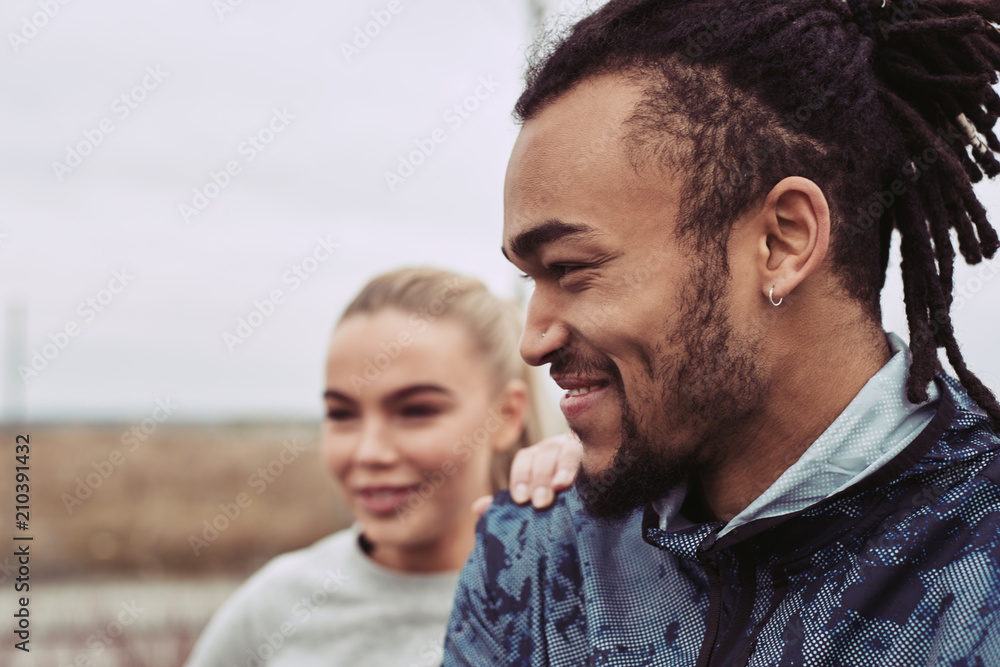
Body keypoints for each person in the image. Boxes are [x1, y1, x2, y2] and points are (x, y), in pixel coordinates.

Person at [443, 1, 1000, 665]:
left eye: (570, 268)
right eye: (530, 277)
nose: (532, 340)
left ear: (782, 241)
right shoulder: (532, 555)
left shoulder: (979, 572)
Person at [185, 267, 573, 667]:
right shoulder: (272, 608)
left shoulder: (574, 601)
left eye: (416, 410)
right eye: (342, 413)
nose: (369, 452)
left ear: (506, 417)